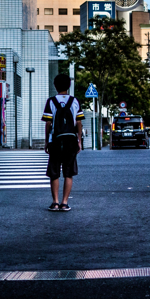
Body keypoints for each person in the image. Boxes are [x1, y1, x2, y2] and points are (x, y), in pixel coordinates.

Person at [43, 74, 84, 211]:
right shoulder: (74, 101)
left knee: (54, 172)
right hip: (70, 141)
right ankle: (65, 202)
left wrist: (46, 142)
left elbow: (48, 123)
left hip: (55, 140)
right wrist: (79, 141)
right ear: (69, 86)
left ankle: (55, 202)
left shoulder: (51, 101)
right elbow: (78, 122)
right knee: (68, 172)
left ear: (55, 86)